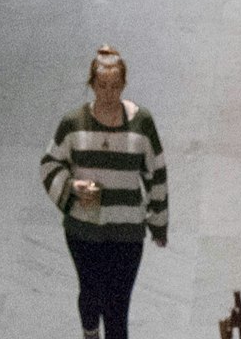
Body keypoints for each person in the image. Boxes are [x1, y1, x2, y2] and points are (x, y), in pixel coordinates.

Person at [38, 46, 170, 339]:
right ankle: (89, 333)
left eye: (115, 86)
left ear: (123, 85)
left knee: (117, 307)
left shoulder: (141, 123)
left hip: (126, 232)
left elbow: (156, 173)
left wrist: (158, 223)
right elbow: (49, 165)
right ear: (92, 85)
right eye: (101, 86)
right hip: (84, 229)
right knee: (90, 291)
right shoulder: (73, 124)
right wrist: (72, 187)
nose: (108, 93)